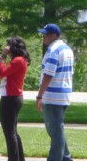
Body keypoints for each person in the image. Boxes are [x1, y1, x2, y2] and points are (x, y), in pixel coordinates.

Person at [36, 23, 74, 161]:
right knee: (58, 128)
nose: (43, 37)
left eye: (45, 34)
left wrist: (39, 96)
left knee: (55, 131)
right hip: (64, 94)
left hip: (53, 96)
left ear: (54, 35)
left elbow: (48, 75)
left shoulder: (53, 50)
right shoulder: (67, 49)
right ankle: (66, 157)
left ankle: (55, 158)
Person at [0, 36, 31, 161]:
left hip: (11, 98)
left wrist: (2, 58)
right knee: (13, 132)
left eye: (9, 45)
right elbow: (5, 72)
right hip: (14, 97)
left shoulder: (18, 60)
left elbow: (1, 73)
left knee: (9, 133)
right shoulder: (19, 60)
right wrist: (1, 61)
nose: (6, 48)